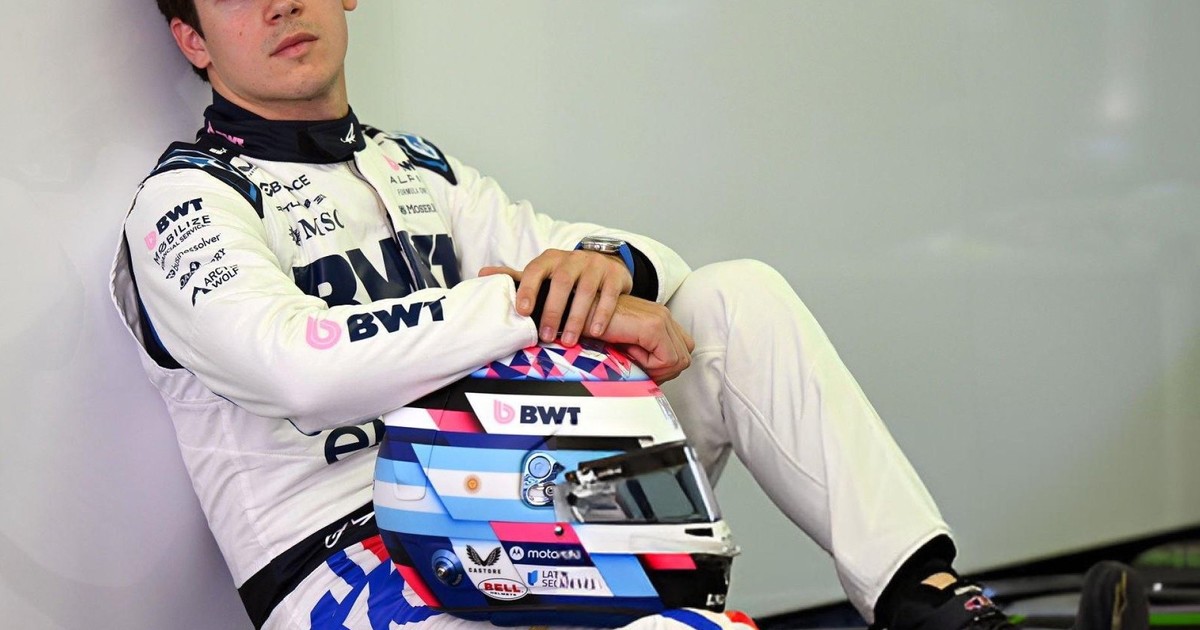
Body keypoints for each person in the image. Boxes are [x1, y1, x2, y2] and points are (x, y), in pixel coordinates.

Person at [109, 2, 1146, 630]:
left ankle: (922, 600)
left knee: (733, 298)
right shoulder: (185, 202)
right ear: (193, 40)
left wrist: (603, 273)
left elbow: (649, 261)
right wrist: (523, 304)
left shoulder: (418, 168)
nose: (281, 5)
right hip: (352, 568)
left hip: (504, 496)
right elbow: (297, 367)